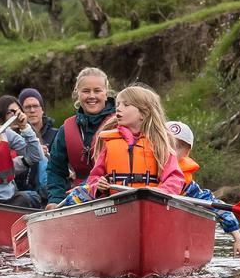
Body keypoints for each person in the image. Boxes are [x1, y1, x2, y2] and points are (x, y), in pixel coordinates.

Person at [169, 120, 240, 270]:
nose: (170, 151)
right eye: (164, 144)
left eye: (177, 147)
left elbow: (220, 208)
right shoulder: (144, 175)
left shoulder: (189, 189)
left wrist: (238, 238)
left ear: (186, 153)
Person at [79, 84, 184, 198]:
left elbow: (175, 178)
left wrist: (161, 192)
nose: (118, 108)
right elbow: (94, 178)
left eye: (126, 105)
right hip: (116, 205)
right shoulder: (109, 142)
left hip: (150, 203)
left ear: (143, 113)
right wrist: (98, 186)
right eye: (118, 104)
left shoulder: (159, 144)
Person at [43, 67, 115, 206]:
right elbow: (55, 170)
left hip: (112, 194)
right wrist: (55, 200)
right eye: (86, 91)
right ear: (78, 94)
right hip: (77, 201)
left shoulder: (121, 123)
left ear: (106, 93)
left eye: (97, 90)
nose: (92, 96)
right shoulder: (66, 129)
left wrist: (88, 187)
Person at [14, 87, 55, 198]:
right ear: (21, 112)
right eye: (27, 107)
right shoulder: (15, 139)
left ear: (42, 109)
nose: (32, 110)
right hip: (24, 193)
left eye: (35, 106)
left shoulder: (56, 135)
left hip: (51, 192)